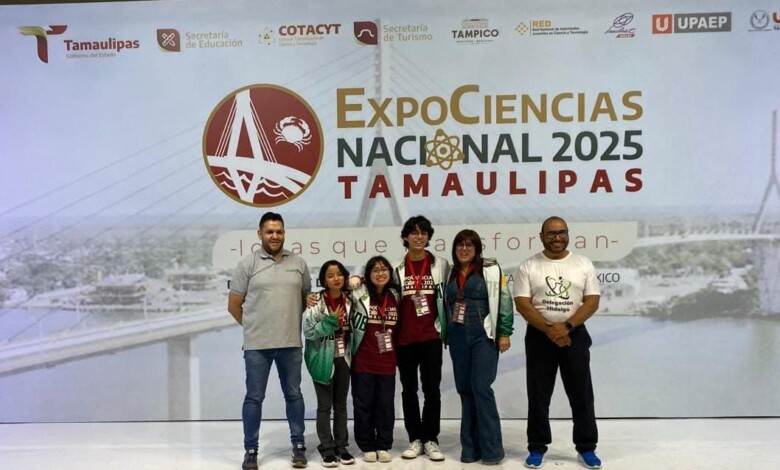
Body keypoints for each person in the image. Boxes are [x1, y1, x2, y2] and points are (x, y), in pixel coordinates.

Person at [512, 216, 602, 470]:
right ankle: (537, 447)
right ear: (541, 237)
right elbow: (522, 304)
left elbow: (592, 301)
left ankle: (586, 447)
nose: (557, 238)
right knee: (538, 395)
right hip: (539, 337)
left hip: (575, 335)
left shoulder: (582, 263)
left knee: (581, 394)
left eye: (561, 232)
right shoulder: (528, 266)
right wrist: (551, 330)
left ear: (568, 234)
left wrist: (567, 327)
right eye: (551, 234)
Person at [228, 212, 312, 470]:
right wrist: (254, 328)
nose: (275, 236)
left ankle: (298, 446)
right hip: (257, 347)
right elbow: (234, 306)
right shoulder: (247, 264)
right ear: (260, 234)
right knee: (254, 398)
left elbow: (305, 300)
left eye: (279, 231)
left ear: (284, 233)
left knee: (294, 395)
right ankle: (251, 450)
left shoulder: (298, 263)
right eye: (269, 231)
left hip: (290, 343)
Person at [444, 229, 514, 465]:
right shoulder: (449, 272)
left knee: (481, 388)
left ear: (477, 249)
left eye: (469, 245)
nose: (464, 249)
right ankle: (470, 448)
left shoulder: (491, 269)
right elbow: (444, 304)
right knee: (465, 390)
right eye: (460, 245)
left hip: (483, 333)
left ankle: (492, 450)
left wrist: (504, 332)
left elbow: (505, 300)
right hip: (457, 334)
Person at [391, 215, 449, 461]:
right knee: (409, 390)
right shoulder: (396, 266)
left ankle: (431, 438)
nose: (419, 236)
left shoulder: (440, 264)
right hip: (404, 339)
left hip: (431, 337)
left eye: (423, 232)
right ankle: (415, 438)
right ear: (405, 237)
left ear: (428, 237)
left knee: (432, 389)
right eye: (414, 232)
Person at [302, 260, 356, 467]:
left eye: (340, 274)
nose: (336, 278)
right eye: (331, 275)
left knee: (341, 406)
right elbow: (309, 332)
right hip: (322, 359)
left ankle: (342, 446)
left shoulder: (350, 300)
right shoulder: (315, 301)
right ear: (324, 280)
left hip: (344, 359)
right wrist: (330, 321)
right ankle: (327, 448)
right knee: (324, 406)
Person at [349, 256, 401, 464]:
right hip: (363, 360)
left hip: (387, 361)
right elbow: (340, 288)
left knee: (385, 405)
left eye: (384, 269)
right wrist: (356, 280)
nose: (381, 274)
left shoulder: (396, 295)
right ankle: (367, 444)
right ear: (368, 274)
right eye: (375, 270)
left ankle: (383, 443)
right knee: (363, 405)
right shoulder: (359, 293)